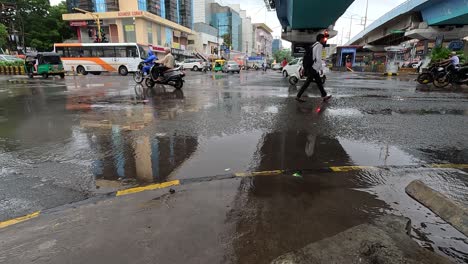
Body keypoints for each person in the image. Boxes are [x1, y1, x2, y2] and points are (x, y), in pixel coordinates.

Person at [296, 34, 331, 102]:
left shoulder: (313, 45)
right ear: (321, 39)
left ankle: (324, 95)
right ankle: (298, 96)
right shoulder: (319, 45)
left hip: (312, 67)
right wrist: (320, 68)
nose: (324, 40)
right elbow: (318, 58)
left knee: (319, 82)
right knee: (308, 83)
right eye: (323, 39)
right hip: (314, 68)